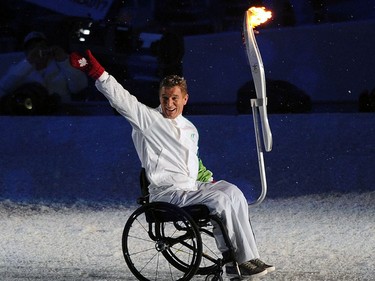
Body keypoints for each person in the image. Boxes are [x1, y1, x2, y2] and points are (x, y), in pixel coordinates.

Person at [69, 50, 275, 278]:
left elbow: (193, 161)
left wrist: (207, 179)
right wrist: (97, 73)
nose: (169, 103)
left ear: (185, 99)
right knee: (220, 199)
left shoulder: (190, 128)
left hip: (191, 188)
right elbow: (121, 99)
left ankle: (249, 258)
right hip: (167, 193)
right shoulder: (148, 121)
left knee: (233, 192)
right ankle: (234, 261)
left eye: (174, 98)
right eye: (165, 98)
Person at [0, 31, 88, 114]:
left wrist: (64, 61)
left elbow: (79, 87)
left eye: (41, 47)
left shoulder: (60, 65)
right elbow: (4, 88)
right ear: (26, 52)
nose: (38, 51)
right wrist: (28, 63)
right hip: (30, 115)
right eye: (32, 48)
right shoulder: (19, 68)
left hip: (61, 115)